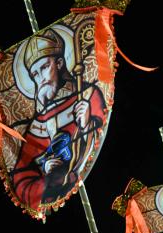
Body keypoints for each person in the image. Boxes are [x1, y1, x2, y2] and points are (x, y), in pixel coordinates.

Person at [10, 28, 106, 210]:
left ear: (60, 63)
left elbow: (104, 137)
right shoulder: (38, 123)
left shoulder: (88, 95)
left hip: (97, 186)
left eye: (44, 68)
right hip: (66, 203)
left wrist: (87, 126)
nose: (41, 79)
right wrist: (46, 174)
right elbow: (22, 174)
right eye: (35, 74)